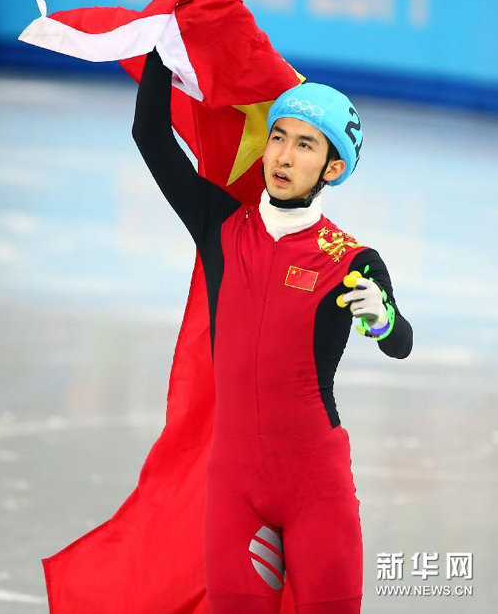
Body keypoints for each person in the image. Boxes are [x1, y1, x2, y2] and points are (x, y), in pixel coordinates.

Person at [132, 47, 413, 614]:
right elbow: (151, 136)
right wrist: (164, 46)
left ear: (333, 169)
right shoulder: (219, 225)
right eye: (278, 137)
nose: (283, 155)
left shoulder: (351, 259)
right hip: (234, 489)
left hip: (317, 490)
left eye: (305, 144)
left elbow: (400, 341)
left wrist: (382, 318)